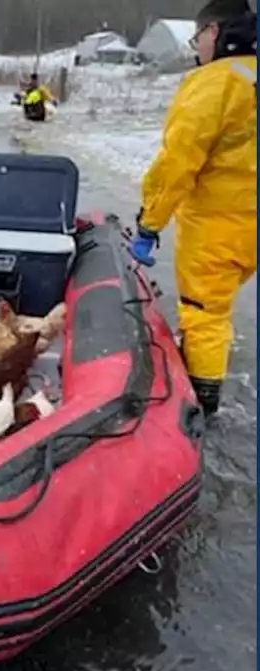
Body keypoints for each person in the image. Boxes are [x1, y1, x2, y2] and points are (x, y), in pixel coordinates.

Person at [129, 0, 256, 417]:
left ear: (215, 32)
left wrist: (149, 223)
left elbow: (177, 163)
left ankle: (203, 413)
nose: (197, 46)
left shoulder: (214, 83)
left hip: (221, 226)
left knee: (206, 316)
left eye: (198, 37)